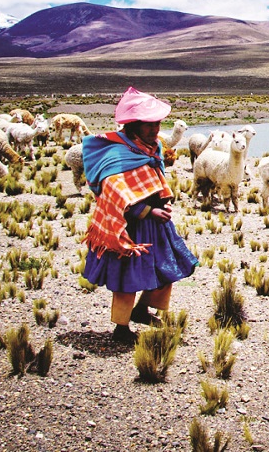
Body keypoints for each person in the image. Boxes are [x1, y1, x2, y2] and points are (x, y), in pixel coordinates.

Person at [81, 87, 198, 344]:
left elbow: (155, 180)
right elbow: (113, 191)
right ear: (134, 124)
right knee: (128, 276)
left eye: (157, 123)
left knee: (167, 267)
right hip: (130, 226)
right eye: (148, 125)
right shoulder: (118, 152)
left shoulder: (151, 147)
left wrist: (164, 203)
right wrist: (145, 210)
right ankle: (121, 329)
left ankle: (142, 310)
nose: (155, 129)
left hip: (157, 223)